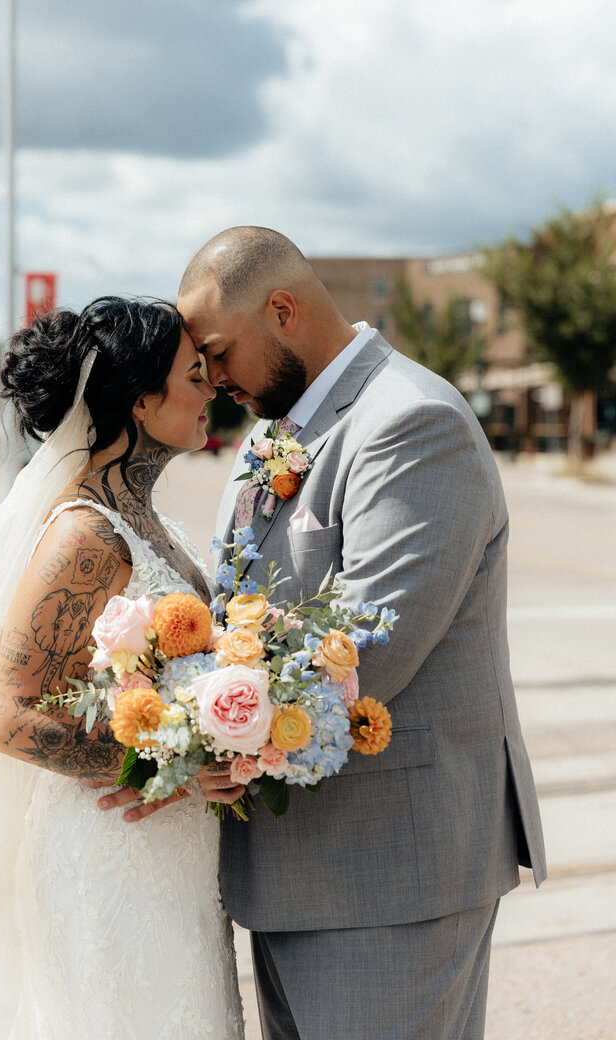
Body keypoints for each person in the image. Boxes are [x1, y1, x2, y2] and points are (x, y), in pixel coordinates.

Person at [102, 227, 547, 1040]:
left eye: (219, 351)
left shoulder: (411, 423)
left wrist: (190, 739)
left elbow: (370, 648)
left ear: (283, 311)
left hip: (390, 873)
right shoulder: (271, 434)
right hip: (289, 866)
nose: (210, 376)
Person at [0, 297, 245, 1040]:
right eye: (194, 374)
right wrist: (166, 765)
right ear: (142, 401)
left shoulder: (156, 526)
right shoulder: (84, 535)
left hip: (174, 856)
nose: (212, 387)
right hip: (110, 855)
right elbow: (10, 717)